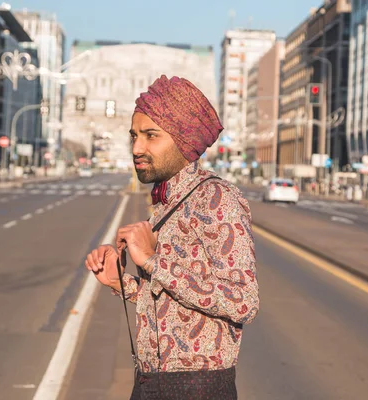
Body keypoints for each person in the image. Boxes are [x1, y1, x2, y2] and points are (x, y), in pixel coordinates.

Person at [84, 75, 258, 400]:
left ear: (183, 138)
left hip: (198, 387)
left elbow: (243, 301)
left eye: (152, 136)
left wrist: (152, 260)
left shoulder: (217, 198)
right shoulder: (167, 202)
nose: (137, 148)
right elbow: (175, 305)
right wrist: (120, 282)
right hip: (151, 381)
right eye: (134, 136)